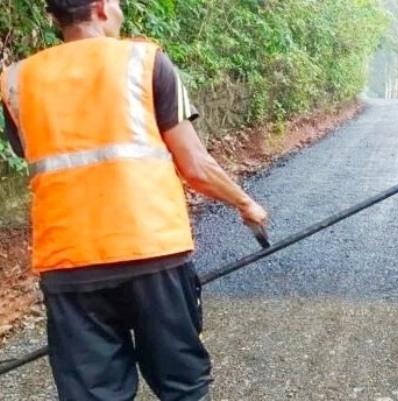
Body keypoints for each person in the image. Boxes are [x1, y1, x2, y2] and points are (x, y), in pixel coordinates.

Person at [0, 0, 269, 400]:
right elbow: (194, 164)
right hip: (152, 253)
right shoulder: (145, 62)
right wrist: (245, 203)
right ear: (102, 7)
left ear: (54, 15)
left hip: (70, 263)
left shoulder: (17, 81)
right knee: (183, 387)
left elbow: (34, 153)